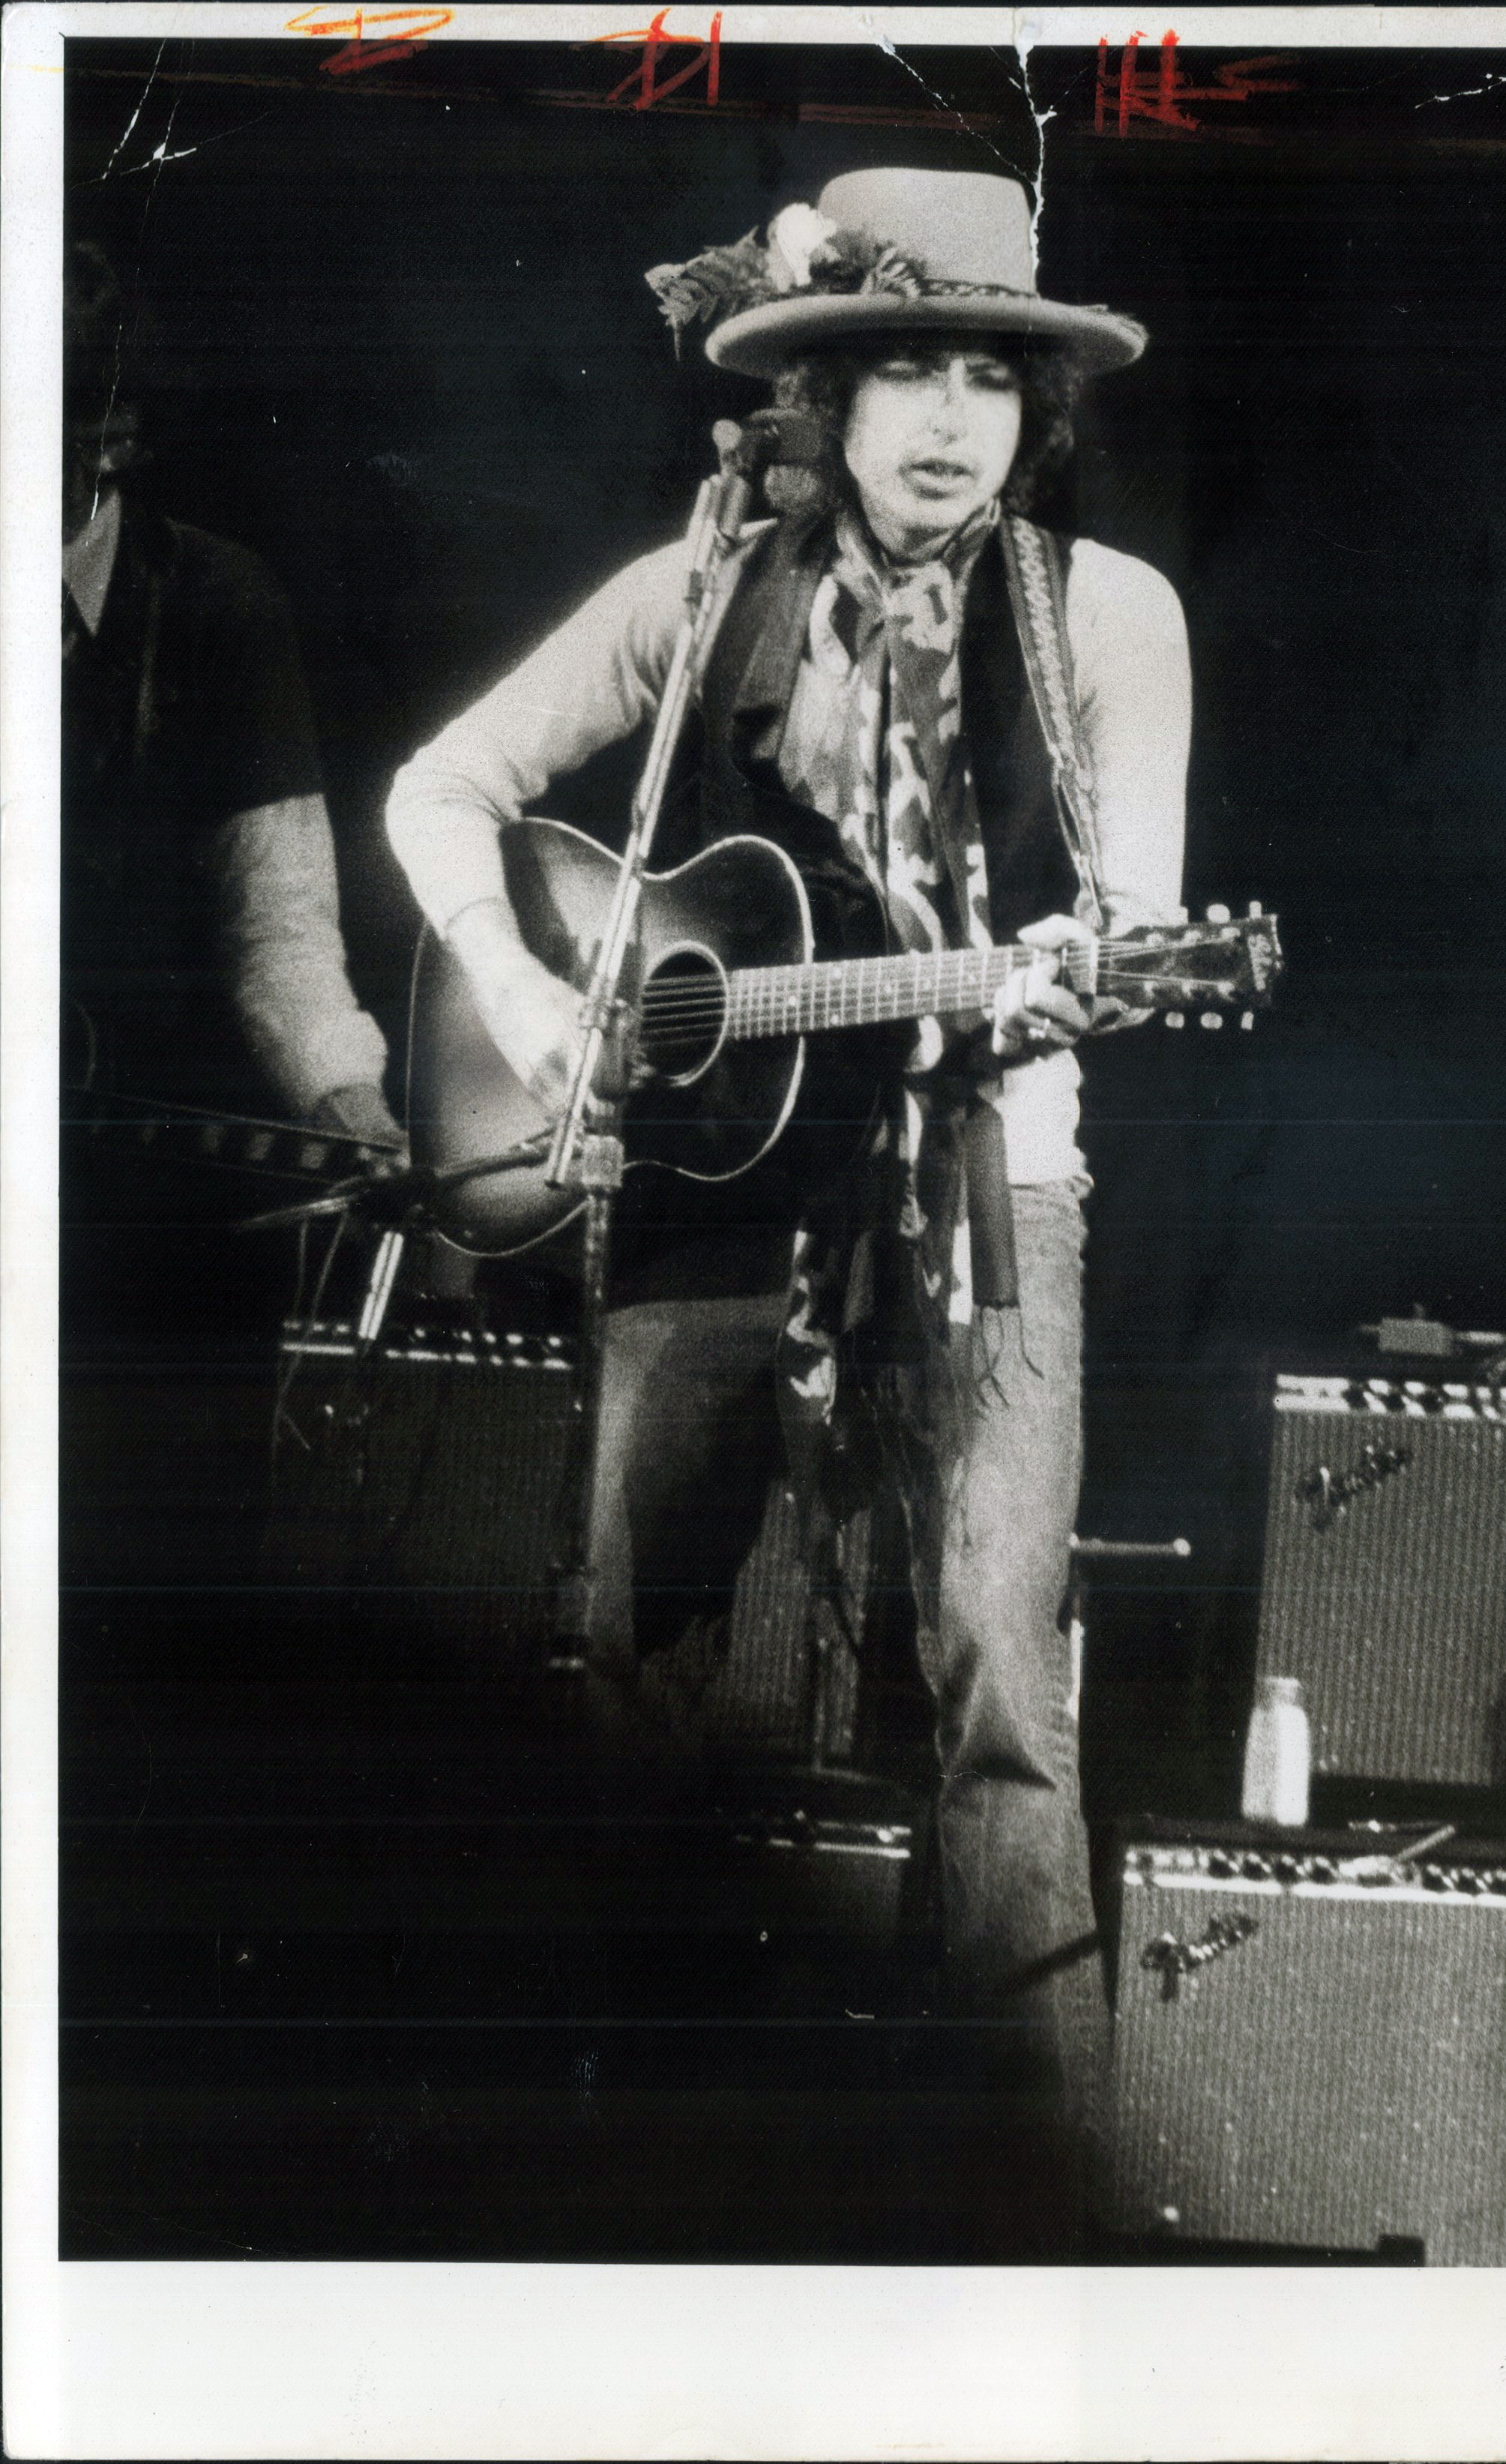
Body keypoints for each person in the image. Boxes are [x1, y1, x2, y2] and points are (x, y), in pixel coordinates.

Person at [382, 168, 1189, 2232]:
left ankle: (1016, 2192)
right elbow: (437, 791)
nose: (942, 417)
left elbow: (1140, 931)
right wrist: (539, 998)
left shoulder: (1108, 617)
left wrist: (1049, 988)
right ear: (819, 397)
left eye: (985, 379)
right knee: (638, 1652)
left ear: (1036, 409)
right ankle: (604, 2163)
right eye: (896, 367)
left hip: (988, 1187)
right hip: (708, 1182)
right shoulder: (701, 588)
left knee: (1002, 1674)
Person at [61, 237, 406, 1644]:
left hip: (164, 1231)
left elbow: (278, 933)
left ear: (113, 424)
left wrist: (356, 1114)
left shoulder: (218, 603)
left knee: (160, 1617)